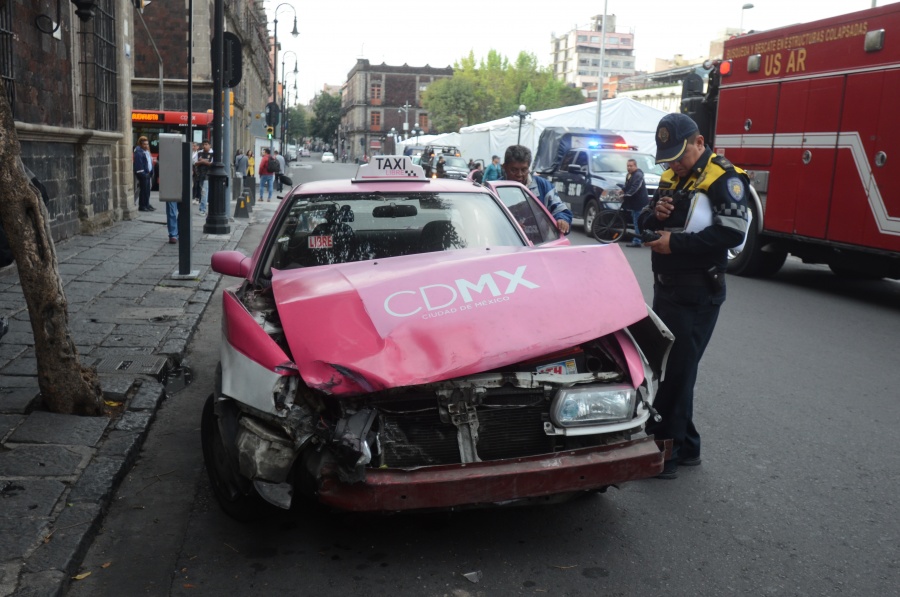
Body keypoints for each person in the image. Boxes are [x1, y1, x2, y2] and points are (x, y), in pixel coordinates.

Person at [639, 113, 750, 479]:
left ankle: (663, 453)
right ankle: (686, 446)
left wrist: (677, 243)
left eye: (680, 156)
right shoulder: (674, 174)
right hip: (667, 287)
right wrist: (654, 215)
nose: (674, 165)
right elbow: (645, 221)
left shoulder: (724, 177)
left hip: (698, 290)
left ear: (699, 143)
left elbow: (733, 233)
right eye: (668, 157)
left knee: (675, 372)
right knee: (673, 369)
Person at [501, 145, 572, 234]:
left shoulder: (543, 186)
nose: (519, 174)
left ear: (529, 168)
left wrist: (562, 219)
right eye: (514, 170)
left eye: (524, 170)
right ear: (504, 167)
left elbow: (560, 209)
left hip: (539, 245)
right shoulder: (494, 190)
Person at [621, 158, 649, 247]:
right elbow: (628, 185)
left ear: (635, 166)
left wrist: (627, 194)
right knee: (636, 221)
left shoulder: (638, 175)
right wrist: (622, 190)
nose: (629, 168)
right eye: (627, 166)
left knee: (637, 221)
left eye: (631, 166)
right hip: (634, 202)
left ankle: (637, 241)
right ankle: (640, 238)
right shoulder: (629, 175)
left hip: (639, 202)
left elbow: (635, 187)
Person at [133, 136, 154, 212]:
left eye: (147, 144)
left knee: (147, 190)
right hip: (143, 174)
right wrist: (143, 174)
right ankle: (142, 205)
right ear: (141, 144)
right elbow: (139, 165)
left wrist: (151, 172)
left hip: (148, 173)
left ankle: (147, 204)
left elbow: (149, 162)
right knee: (143, 190)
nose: (146, 146)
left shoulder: (146, 152)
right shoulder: (139, 152)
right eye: (145, 144)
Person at [195, 140, 213, 215]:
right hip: (200, 174)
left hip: (208, 175)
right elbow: (195, 162)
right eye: (203, 144)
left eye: (206, 144)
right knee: (203, 191)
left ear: (210, 145)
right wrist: (205, 161)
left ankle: (202, 209)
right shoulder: (199, 153)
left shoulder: (212, 153)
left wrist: (202, 161)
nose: (204, 146)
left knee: (204, 192)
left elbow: (212, 164)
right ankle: (203, 208)